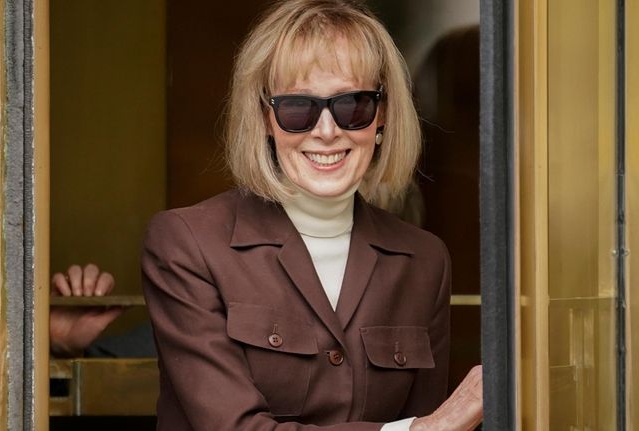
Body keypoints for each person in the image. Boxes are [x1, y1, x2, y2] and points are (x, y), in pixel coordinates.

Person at [51, 0, 483, 429]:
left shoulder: (424, 259)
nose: (327, 131)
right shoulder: (187, 243)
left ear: (382, 115)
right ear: (264, 118)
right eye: (298, 109)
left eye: (353, 106)